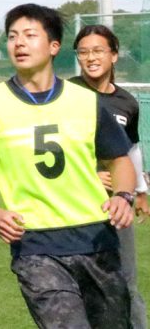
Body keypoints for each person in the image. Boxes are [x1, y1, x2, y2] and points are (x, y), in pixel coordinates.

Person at [0, 3, 135, 328]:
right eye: (12, 36)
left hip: (97, 239)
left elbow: (119, 158)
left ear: (53, 46)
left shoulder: (85, 102)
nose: (19, 43)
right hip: (36, 246)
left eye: (29, 35)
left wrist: (123, 195)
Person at [68, 23, 148, 329]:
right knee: (78, 282)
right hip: (74, 203)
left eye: (98, 50)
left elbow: (132, 148)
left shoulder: (127, 102)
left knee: (126, 280)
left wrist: (139, 190)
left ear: (114, 55)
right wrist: (89, 173)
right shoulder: (66, 94)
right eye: (83, 52)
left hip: (117, 202)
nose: (90, 57)